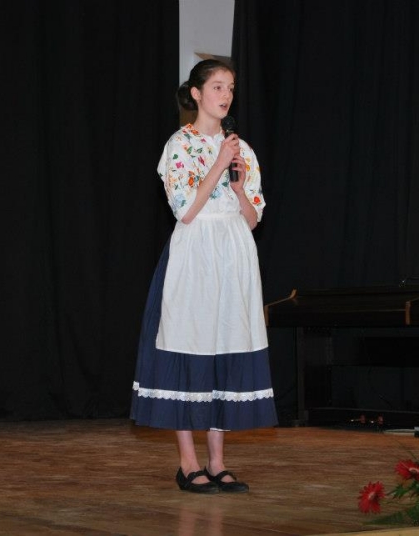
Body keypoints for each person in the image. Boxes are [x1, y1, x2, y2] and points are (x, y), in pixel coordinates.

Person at [130, 59, 278, 494]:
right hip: (196, 252)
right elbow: (185, 210)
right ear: (196, 93)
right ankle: (188, 462)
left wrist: (238, 186)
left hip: (233, 253)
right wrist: (218, 164)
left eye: (230, 87)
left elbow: (252, 218)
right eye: (217, 86)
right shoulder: (180, 145)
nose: (226, 94)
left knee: (224, 349)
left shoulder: (241, 148)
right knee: (188, 347)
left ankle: (217, 462)